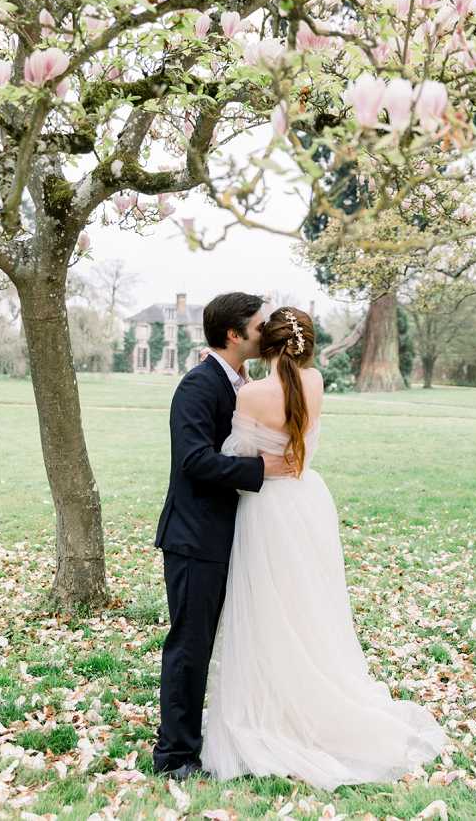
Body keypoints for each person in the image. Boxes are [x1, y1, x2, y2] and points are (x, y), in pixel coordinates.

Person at [200, 306, 448, 791]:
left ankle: (276, 711)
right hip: (309, 501)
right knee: (310, 606)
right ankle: (315, 697)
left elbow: (232, 457)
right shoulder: (314, 383)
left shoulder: (251, 395)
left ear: (266, 345)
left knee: (269, 609)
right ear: (307, 346)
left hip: (268, 507)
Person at [152, 293, 295, 780]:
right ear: (234, 334)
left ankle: (225, 733)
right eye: (258, 326)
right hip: (196, 538)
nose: (265, 331)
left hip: (234, 534)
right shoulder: (198, 385)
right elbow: (193, 460)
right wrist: (261, 468)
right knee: (190, 646)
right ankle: (175, 756)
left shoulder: (243, 383)